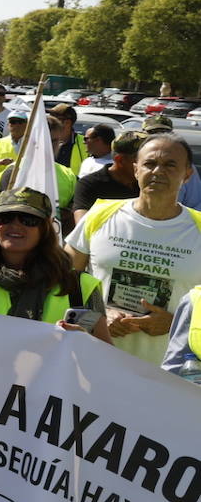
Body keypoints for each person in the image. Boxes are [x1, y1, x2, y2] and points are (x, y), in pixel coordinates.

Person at [67, 132, 201, 366]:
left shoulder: (198, 228)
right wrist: (96, 315)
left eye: (170, 164)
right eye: (150, 163)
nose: (158, 171)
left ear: (187, 174)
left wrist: (176, 322)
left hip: (171, 375)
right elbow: (63, 280)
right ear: (136, 168)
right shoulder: (99, 215)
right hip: (96, 362)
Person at [0, 187, 108, 338]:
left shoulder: (81, 287)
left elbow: (105, 354)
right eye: (6, 218)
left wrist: (85, 341)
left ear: (45, 229)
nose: (15, 225)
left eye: (28, 220)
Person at [72, 130, 143, 223]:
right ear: (120, 160)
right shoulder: (90, 185)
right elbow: (83, 226)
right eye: (143, 160)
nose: (152, 167)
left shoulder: (147, 184)